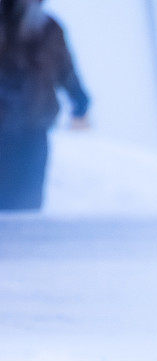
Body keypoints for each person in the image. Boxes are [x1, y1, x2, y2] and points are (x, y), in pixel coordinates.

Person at [0, 0, 89, 210]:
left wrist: (80, 99)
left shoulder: (48, 29)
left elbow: (65, 68)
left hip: (32, 129)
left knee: (27, 203)